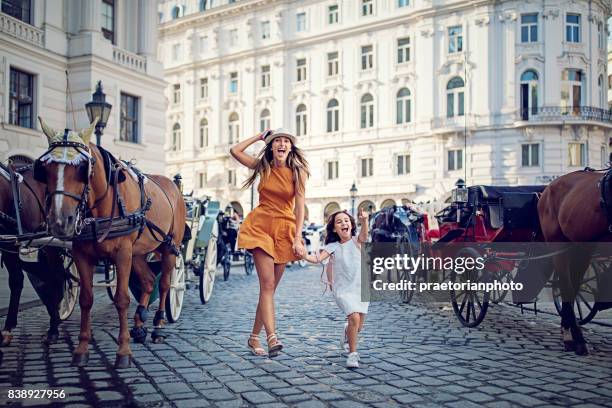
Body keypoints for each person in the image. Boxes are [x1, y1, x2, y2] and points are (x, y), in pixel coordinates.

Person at [230, 128, 310, 357]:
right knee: (266, 285)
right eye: (277, 141)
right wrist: (258, 136)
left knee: (270, 290)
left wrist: (297, 237)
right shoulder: (262, 167)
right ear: (272, 146)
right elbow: (235, 151)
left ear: (290, 147)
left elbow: (299, 207)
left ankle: (253, 337)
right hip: (260, 227)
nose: (282, 144)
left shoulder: (298, 172)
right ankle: (272, 337)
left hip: (285, 229)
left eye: (286, 141)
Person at [301, 208, 369, 368]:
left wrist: (364, 220)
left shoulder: (356, 240)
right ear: (334, 228)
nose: (343, 223)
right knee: (353, 317)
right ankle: (353, 354)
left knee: (358, 326)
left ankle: (348, 331)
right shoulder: (332, 246)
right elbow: (317, 258)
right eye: (339, 222)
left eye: (346, 220)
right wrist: (303, 254)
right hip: (343, 289)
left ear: (351, 225)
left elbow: (365, 235)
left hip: (361, 287)